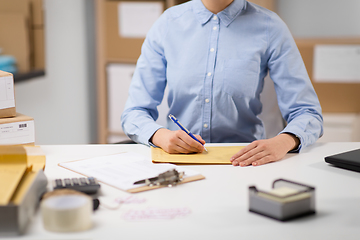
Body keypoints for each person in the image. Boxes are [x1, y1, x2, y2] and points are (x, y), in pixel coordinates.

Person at [121, 0, 323, 167]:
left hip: (246, 163)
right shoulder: (167, 24)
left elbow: (307, 112)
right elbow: (134, 112)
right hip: (179, 164)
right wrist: (160, 135)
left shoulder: (270, 26)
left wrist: (283, 141)